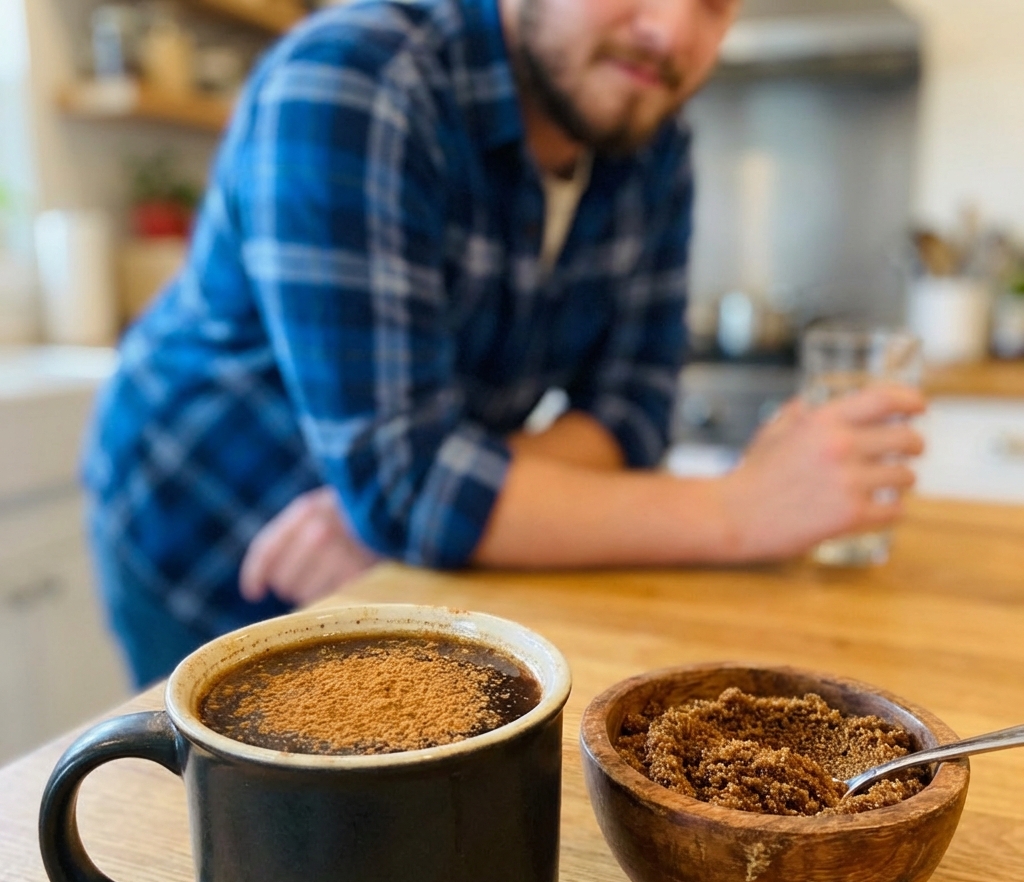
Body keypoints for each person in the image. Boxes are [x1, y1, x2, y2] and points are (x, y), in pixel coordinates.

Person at [84, 0, 925, 688]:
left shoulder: (649, 135)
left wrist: (422, 507)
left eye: (714, 3)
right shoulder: (355, 79)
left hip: (388, 558)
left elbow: (631, 415)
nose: (671, 31)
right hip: (213, 536)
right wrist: (739, 511)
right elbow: (411, 488)